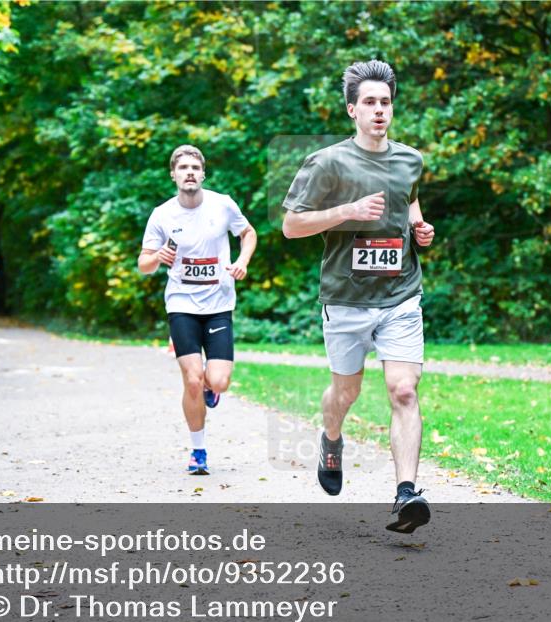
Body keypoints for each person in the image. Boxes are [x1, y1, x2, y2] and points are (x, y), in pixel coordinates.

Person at [282, 60, 436, 533]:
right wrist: (347, 210)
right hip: (345, 298)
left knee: (404, 389)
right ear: (352, 109)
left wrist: (419, 227)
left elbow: (409, 198)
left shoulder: (410, 159)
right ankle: (331, 438)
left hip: (400, 295)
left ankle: (406, 493)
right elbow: (291, 225)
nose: (379, 110)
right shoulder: (326, 162)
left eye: (385, 102)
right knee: (345, 393)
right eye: (369, 102)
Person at [138, 145, 257, 475]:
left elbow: (248, 233)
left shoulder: (222, 204)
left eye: (194, 167)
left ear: (203, 174)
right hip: (181, 304)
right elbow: (144, 264)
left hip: (219, 304)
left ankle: (210, 387)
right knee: (192, 380)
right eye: (183, 168)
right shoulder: (162, 214)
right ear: (173, 175)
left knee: (218, 381)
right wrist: (156, 257)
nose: (189, 172)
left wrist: (242, 261)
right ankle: (198, 451)